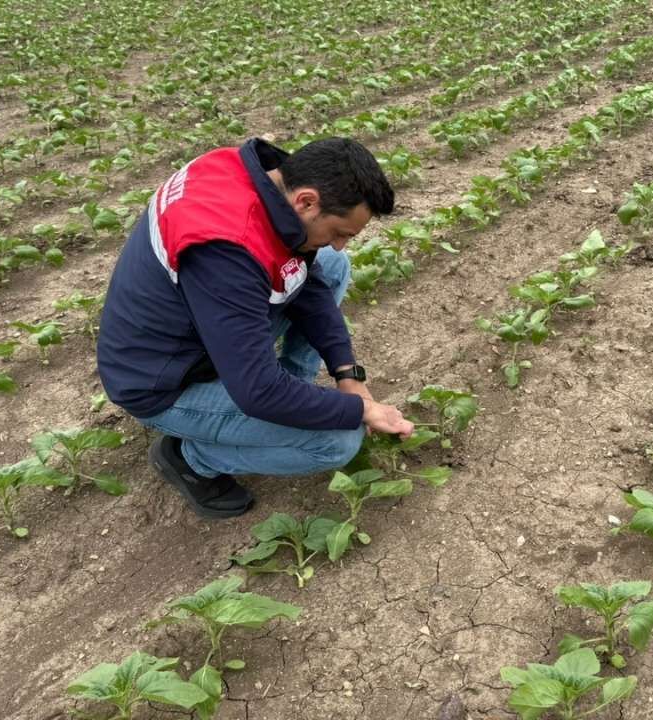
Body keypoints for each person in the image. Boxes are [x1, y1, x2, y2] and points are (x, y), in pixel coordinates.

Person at [96, 137, 415, 519]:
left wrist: (348, 375)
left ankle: (290, 394)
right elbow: (257, 392)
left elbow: (307, 278)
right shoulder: (226, 249)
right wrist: (358, 411)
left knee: (330, 269)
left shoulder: (249, 175)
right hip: (162, 382)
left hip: (197, 328)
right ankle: (191, 457)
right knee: (338, 440)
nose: (341, 244)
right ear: (307, 201)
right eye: (339, 232)